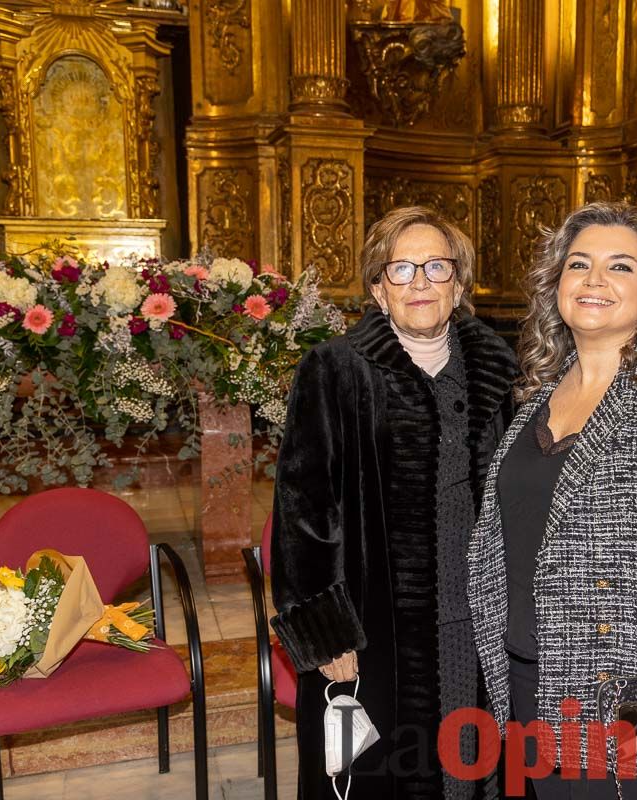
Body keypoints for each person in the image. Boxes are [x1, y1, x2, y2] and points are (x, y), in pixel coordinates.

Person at [467, 202, 637, 799]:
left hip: (628, 705)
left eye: (620, 266)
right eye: (578, 264)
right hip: (527, 676)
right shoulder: (538, 393)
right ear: (556, 288)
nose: (594, 279)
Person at [271, 206, 517, 799]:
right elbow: (301, 513)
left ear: (459, 283)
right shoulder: (334, 369)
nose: (421, 282)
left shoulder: (501, 364)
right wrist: (326, 634)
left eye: (436, 266)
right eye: (401, 269)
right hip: (375, 624)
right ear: (378, 289)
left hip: (481, 612)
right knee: (385, 774)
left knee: (472, 764)